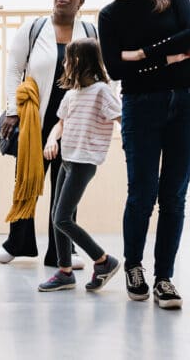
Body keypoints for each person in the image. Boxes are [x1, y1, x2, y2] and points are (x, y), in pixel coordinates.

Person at [96, 0, 190, 310]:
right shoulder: (110, 16)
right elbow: (114, 67)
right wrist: (165, 56)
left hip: (188, 99)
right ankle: (133, 267)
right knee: (142, 194)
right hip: (141, 106)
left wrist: (142, 54)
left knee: (174, 195)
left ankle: (164, 278)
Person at [0, 0, 97, 268]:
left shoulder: (89, 31)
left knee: (66, 188)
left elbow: (99, 72)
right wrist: (12, 110)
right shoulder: (34, 28)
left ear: (81, 0)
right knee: (27, 180)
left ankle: (62, 252)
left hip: (72, 122)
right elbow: (14, 70)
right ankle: (18, 242)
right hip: (34, 120)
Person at [36, 38, 123, 293]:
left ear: (81, 61)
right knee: (57, 217)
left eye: (68, 58)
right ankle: (64, 272)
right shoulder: (72, 93)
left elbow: (120, 118)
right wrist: (52, 139)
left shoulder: (101, 91)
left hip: (84, 161)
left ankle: (103, 260)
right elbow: (60, 123)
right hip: (67, 158)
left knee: (62, 217)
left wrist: (131, 143)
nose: (64, 63)